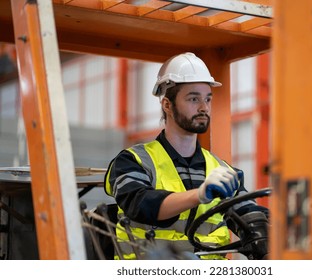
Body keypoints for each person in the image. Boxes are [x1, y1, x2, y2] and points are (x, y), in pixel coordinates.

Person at [104, 52, 268, 260]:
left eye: (208, 99)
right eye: (193, 99)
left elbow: (249, 218)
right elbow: (142, 205)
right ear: (167, 105)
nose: (204, 107)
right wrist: (199, 195)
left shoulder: (222, 171)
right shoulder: (133, 162)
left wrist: (268, 230)